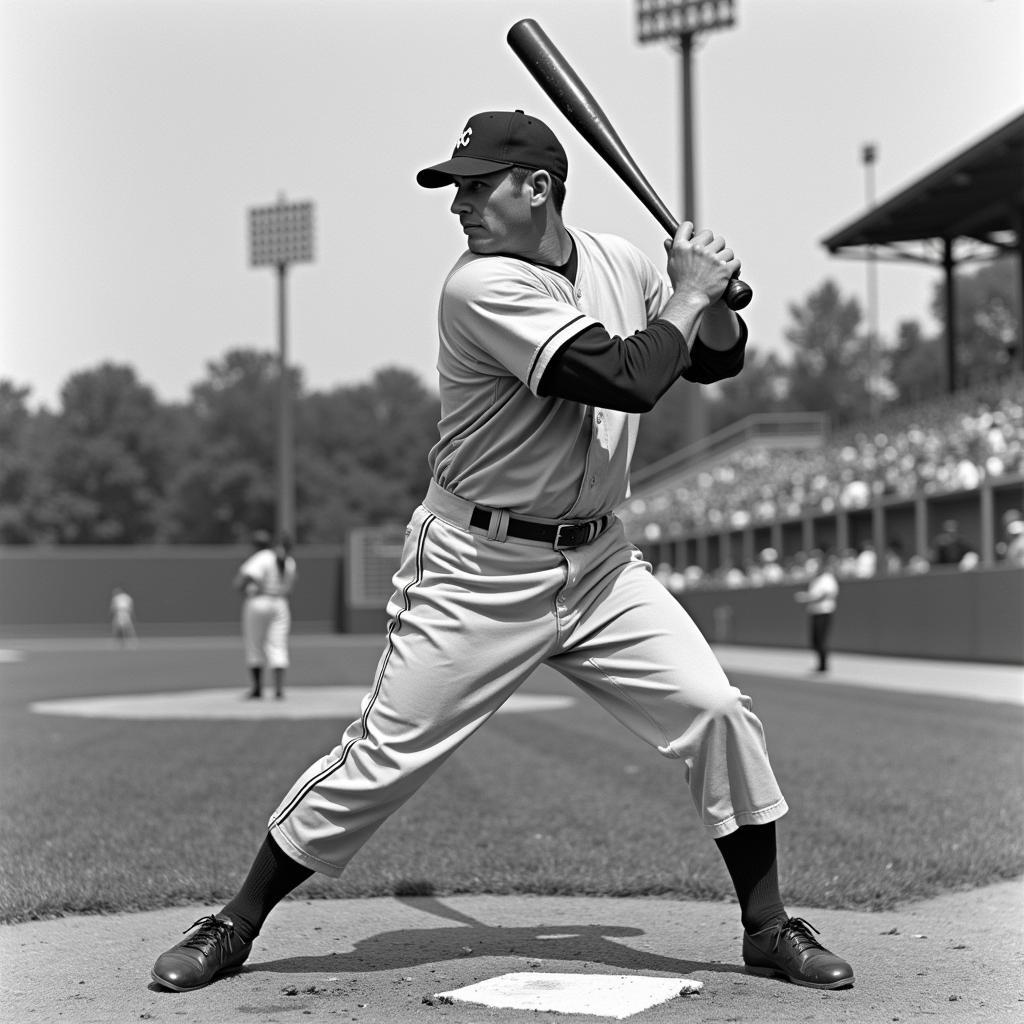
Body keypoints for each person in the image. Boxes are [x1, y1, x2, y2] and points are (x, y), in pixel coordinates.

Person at [151, 109, 853, 993]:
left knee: (715, 709)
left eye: (478, 187)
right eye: (458, 189)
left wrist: (707, 294)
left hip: (601, 566)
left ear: (539, 189)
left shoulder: (620, 261)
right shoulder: (479, 287)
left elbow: (712, 362)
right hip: (477, 569)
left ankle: (767, 925)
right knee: (382, 760)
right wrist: (688, 291)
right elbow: (630, 379)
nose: (461, 206)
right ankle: (234, 922)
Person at [234, 529, 297, 700]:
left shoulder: (263, 556)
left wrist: (249, 590)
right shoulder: (290, 562)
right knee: (278, 644)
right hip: (280, 603)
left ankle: (257, 689)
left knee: (255, 644)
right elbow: (289, 589)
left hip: (259, 601)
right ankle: (278, 689)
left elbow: (240, 580)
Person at [794, 553, 839, 673]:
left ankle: (823, 666)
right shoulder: (816, 580)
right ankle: (820, 664)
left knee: (820, 640)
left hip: (824, 612)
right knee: (814, 640)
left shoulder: (827, 578)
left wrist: (807, 598)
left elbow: (824, 595)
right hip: (815, 612)